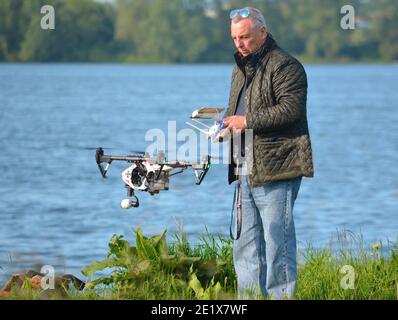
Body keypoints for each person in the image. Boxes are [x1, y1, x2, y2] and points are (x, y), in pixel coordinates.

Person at [221, 7, 314, 299]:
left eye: (245, 37)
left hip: (278, 167)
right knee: (245, 246)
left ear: (263, 32)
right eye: (235, 38)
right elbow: (235, 111)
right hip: (243, 167)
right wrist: (223, 125)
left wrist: (245, 121)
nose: (239, 43)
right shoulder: (240, 68)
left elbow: (291, 110)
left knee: (278, 245)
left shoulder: (286, 65)